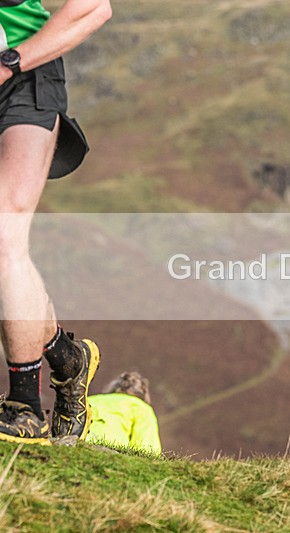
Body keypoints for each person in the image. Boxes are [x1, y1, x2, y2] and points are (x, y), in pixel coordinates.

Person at [0, 0, 112, 445]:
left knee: (5, 235)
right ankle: (66, 356)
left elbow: (95, 7)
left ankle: (25, 406)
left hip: (23, 82)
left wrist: (11, 62)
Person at [87, 371, 162, 455]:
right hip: (111, 453)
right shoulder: (141, 407)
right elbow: (146, 449)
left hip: (77, 443)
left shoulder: (90, 399)